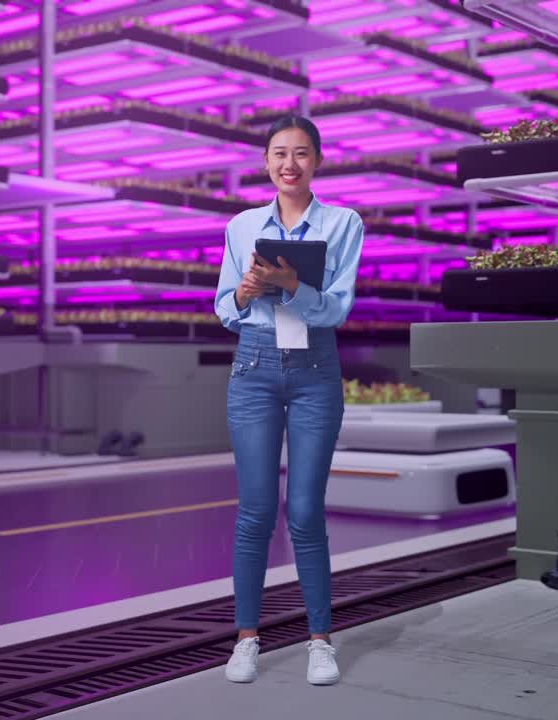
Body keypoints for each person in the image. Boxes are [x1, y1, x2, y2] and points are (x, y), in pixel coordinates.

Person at [213, 115, 364, 686]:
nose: (289, 164)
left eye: (301, 153)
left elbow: (336, 308)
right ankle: (246, 639)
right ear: (266, 162)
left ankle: (320, 641)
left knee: (304, 512)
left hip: (314, 370)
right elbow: (225, 309)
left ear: (317, 160)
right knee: (254, 512)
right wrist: (246, 290)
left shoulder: (342, 223)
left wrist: (291, 284)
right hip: (253, 366)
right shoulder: (242, 225)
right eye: (279, 153)